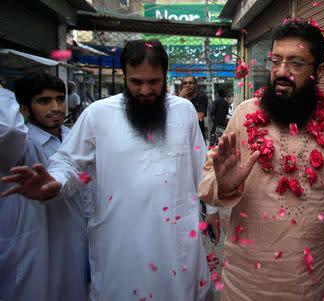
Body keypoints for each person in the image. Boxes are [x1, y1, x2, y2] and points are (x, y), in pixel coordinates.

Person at [2, 39, 213, 301]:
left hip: (176, 239)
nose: (145, 90)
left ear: (165, 76)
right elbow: (70, 163)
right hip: (120, 244)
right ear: (124, 76)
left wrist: (213, 211)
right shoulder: (97, 114)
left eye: (153, 81)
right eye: (136, 82)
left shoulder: (184, 112)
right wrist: (54, 183)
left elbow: (202, 168)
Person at [198, 18, 324, 300]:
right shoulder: (244, 114)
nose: (281, 72)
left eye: (295, 63)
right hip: (246, 281)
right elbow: (209, 182)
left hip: (311, 282)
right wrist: (225, 185)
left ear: (320, 70)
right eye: (275, 61)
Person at [0, 72, 89, 300]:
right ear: (24, 109)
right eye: (44, 101)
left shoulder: (73, 137)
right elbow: (9, 129)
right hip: (36, 242)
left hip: (77, 237)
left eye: (60, 99)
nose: (56, 107)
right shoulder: (22, 145)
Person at [179, 75, 208, 141]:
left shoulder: (202, 98)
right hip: (183, 138)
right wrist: (180, 98)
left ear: (196, 86)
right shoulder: (179, 99)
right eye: (185, 83)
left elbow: (200, 118)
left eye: (190, 83)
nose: (188, 85)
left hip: (197, 139)